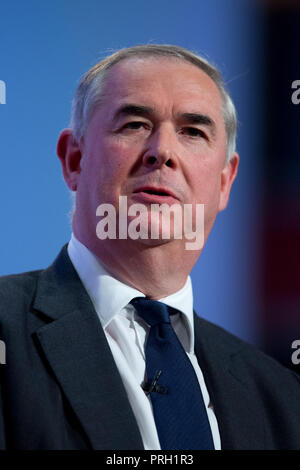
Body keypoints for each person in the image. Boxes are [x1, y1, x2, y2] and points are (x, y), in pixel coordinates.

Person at [0, 44, 299, 450]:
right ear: (74, 159)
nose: (162, 152)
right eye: (135, 124)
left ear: (225, 181)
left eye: (193, 132)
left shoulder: (280, 396)